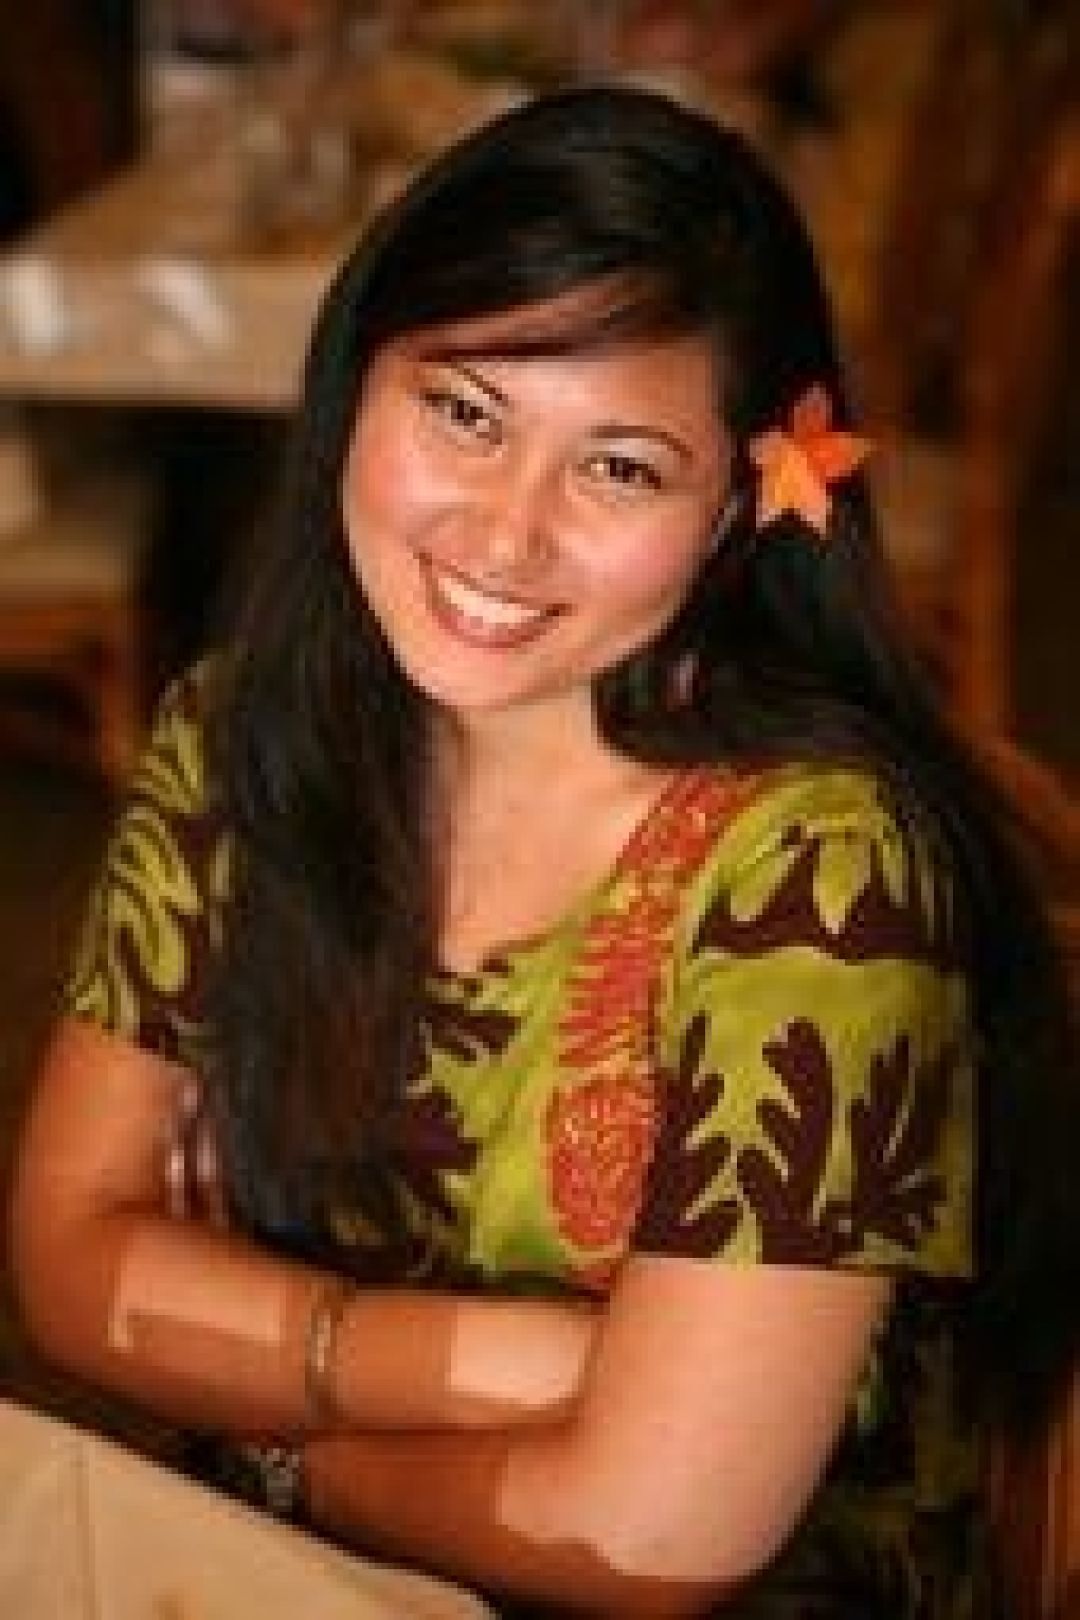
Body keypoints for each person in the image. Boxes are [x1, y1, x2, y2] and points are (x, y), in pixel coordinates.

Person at [9, 85, 1079, 1618]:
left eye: (620, 467)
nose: (506, 536)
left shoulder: (818, 880)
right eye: (466, 413)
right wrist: (535, 1369)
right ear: (355, 381)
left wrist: (282, 1443)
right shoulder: (243, 738)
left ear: (735, 510)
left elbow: (653, 1536)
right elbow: (69, 1263)